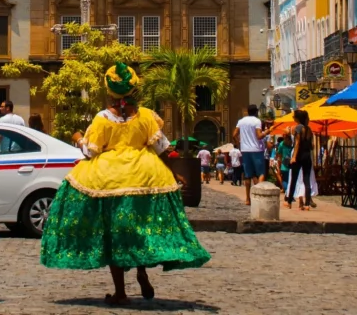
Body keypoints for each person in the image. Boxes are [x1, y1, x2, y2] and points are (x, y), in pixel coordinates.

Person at [40, 62, 210, 305]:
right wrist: (174, 173)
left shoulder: (101, 119)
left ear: (110, 90)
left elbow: (90, 152)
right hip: (146, 176)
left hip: (110, 179)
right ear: (133, 89)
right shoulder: (147, 116)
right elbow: (162, 146)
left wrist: (78, 138)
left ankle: (120, 292)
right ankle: (142, 270)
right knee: (140, 228)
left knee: (114, 234)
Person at [233, 104, 267, 206]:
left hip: (245, 150)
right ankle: (260, 197)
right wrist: (267, 132)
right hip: (256, 150)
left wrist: (239, 144)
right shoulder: (257, 121)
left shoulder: (241, 121)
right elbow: (259, 136)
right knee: (261, 173)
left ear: (248, 111)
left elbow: (234, 135)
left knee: (247, 175)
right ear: (256, 112)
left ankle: (248, 199)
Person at [286, 110, 314, 211]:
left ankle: (289, 202)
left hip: (299, 155)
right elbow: (312, 146)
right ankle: (307, 204)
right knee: (307, 180)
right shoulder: (309, 129)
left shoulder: (298, 128)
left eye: (294, 117)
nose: (293, 118)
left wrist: (293, 157)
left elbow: (297, 143)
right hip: (307, 156)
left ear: (297, 118)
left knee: (294, 179)